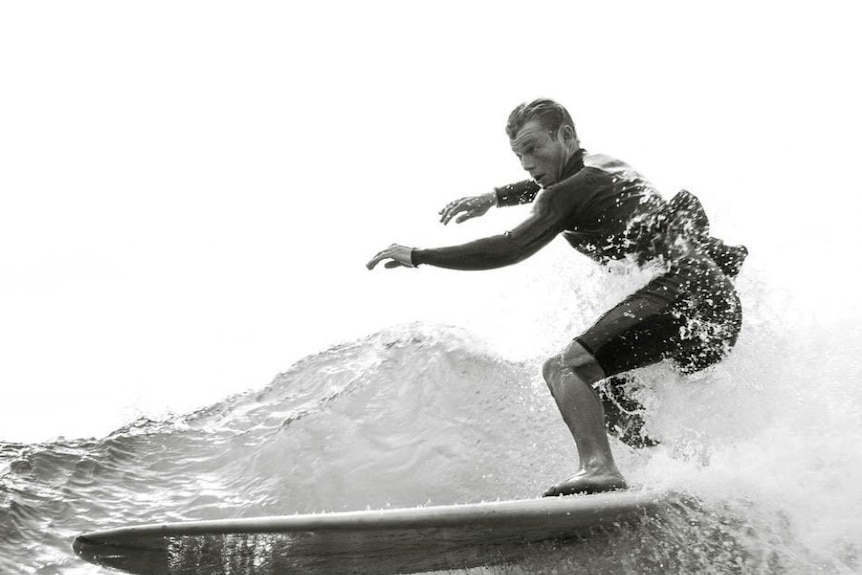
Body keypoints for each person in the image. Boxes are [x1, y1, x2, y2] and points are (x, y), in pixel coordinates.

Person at [366, 99, 746, 496]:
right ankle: (680, 473)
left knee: (564, 369)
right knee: (607, 397)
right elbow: (548, 184)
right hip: (713, 305)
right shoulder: (601, 165)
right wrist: (494, 197)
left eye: (533, 148)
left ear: (566, 134)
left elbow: (510, 248)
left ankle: (598, 469)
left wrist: (419, 256)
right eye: (518, 155)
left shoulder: (567, 193)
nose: (527, 163)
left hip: (684, 290)